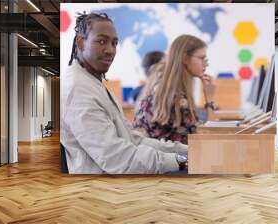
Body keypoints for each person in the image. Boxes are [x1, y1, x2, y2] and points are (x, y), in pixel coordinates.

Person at [60, 12, 188, 174]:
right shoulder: (78, 89)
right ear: (81, 42)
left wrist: (184, 152)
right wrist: (180, 161)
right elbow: (117, 158)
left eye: (114, 43)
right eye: (101, 41)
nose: (110, 50)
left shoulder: (93, 83)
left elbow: (133, 139)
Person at [133, 35, 216, 144]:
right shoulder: (177, 98)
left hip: (158, 156)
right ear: (185, 59)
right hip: (163, 159)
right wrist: (209, 98)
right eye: (201, 58)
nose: (206, 64)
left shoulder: (167, 86)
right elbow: (205, 138)